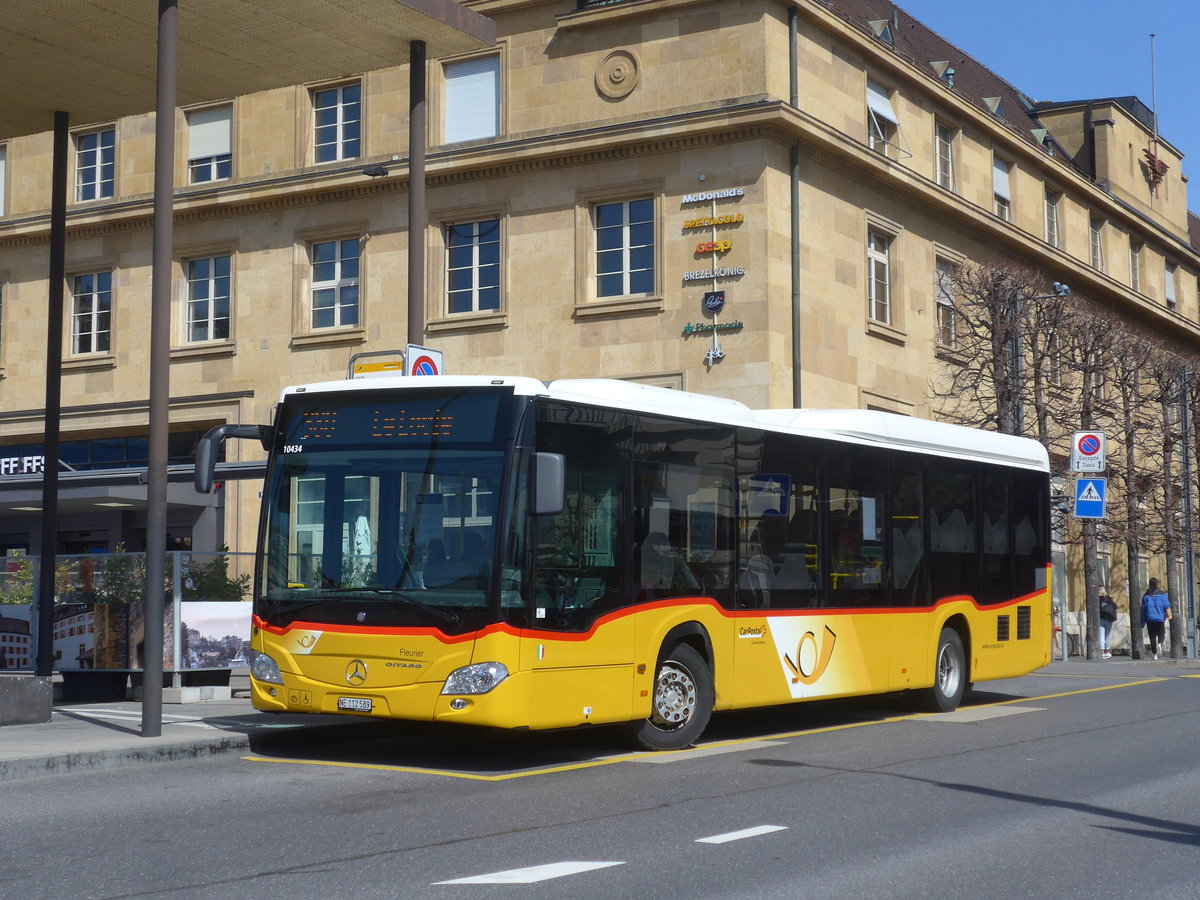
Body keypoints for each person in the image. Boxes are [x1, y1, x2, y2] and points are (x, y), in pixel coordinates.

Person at [1140, 578, 1172, 660]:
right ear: (1157, 584)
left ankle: (1154, 654)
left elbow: (1143, 610)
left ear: (1149, 584)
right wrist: (1170, 616)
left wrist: (1142, 622)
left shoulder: (1146, 596)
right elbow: (1167, 606)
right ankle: (1160, 644)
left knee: (1152, 637)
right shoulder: (1162, 595)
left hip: (1149, 619)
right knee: (1161, 634)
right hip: (1160, 619)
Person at [1098, 586, 1117, 659]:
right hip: (1109, 619)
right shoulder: (1108, 598)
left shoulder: (1097, 599)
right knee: (1107, 635)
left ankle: (1102, 652)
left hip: (1100, 619)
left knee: (1101, 635)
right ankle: (1107, 651)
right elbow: (1115, 606)